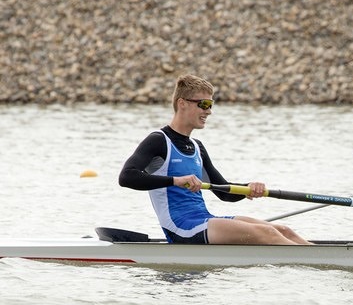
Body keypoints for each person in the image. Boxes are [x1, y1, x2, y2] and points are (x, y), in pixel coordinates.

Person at [119, 74, 310, 245]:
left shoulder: (197, 147)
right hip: (181, 228)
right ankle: (311, 264)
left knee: (284, 230)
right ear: (182, 103)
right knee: (267, 233)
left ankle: (320, 259)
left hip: (204, 219)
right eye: (203, 104)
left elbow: (223, 192)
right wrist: (176, 181)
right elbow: (127, 177)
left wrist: (248, 188)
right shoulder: (159, 141)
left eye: (210, 105)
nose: (209, 111)